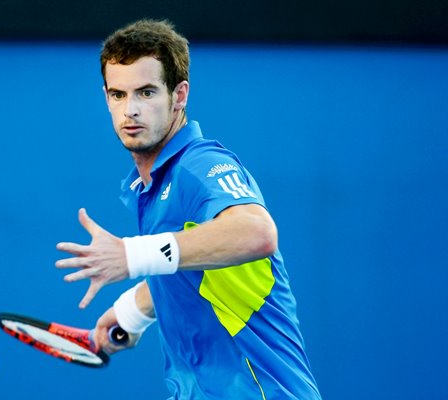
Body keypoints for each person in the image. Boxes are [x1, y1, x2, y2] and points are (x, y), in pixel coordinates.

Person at [56, 19, 321, 400]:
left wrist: (133, 255)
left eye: (146, 93)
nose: (130, 110)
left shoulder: (199, 166)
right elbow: (192, 264)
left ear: (179, 95)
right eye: (118, 95)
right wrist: (134, 309)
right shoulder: (149, 186)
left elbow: (256, 233)